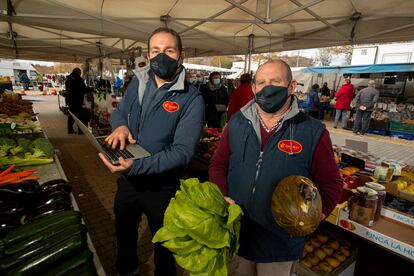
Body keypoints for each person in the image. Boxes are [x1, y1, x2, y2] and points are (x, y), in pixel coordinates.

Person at [209, 59, 343, 276]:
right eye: (261, 82)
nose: (267, 87)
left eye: (275, 81)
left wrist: (314, 216)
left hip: (280, 248)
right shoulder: (236, 123)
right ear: (253, 88)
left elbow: (332, 183)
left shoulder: (312, 132)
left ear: (291, 87)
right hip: (235, 236)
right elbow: (218, 165)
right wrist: (220, 195)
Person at [99, 27, 204, 276]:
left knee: (164, 247)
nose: (161, 56)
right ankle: (127, 269)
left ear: (181, 56)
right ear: (148, 54)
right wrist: (121, 125)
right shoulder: (138, 82)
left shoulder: (191, 98)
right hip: (128, 181)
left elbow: (182, 153)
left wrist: (137, 165)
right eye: (155, 50)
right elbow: (119, 112)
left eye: (169, 50)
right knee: (124, 232)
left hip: (163, 187)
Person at [65, 68, 90, 134]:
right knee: (80, 115)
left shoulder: (68, 79)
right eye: (80, 72)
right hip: (77, 100)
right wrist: (91, 90)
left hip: (70, 100)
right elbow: (83, 89)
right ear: (78, 73)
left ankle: (70, 129)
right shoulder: (79, 79)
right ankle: (80, 131)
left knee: (71, 115)